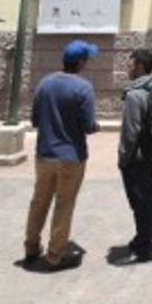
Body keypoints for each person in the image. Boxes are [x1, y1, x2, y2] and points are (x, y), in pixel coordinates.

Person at [23, 39, 100, 271]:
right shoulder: (83, 88)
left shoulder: (45, 84)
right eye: (86, 59)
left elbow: (35, 120)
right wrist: (95, 126)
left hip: (44, 154)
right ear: (80, 62)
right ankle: (55, 255)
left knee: (39, 201)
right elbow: (88, 125)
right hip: (71, 156)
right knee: (64, 205)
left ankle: (31, 247)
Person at [119, 48, 152, 263]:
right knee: (148, 196)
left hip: (136, 157)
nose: (128, 67)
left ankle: (143, 245)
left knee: (139, 201)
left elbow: (131, 131)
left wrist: (123, 158)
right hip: (150, 153)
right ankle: (145, 236)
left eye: (130, 64)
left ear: (140, 67)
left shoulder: (136, 95)